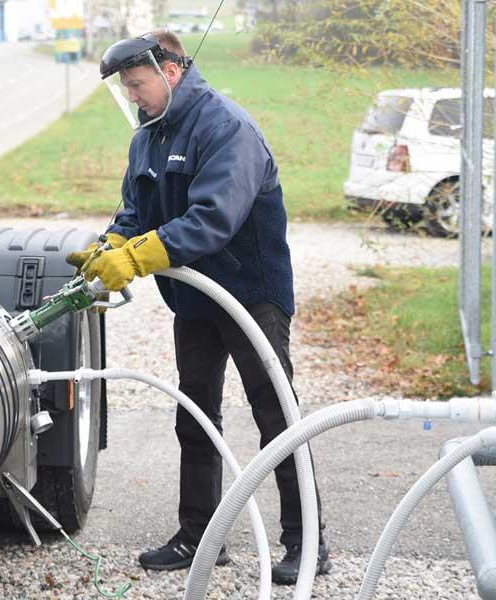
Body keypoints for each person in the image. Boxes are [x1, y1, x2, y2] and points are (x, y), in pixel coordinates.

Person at [66, 29, 331, 584]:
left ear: (171, 70)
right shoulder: (148, 137)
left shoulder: (225, 126)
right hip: (193, 298)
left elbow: (214, 218)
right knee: (196, 416)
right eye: (128, 89)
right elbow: (134, 213)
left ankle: (307, 544)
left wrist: (139, 256)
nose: (134, 96)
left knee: (276, 416)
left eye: (137, 84)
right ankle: (199, 536)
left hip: (250, 294)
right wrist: (111, 245)